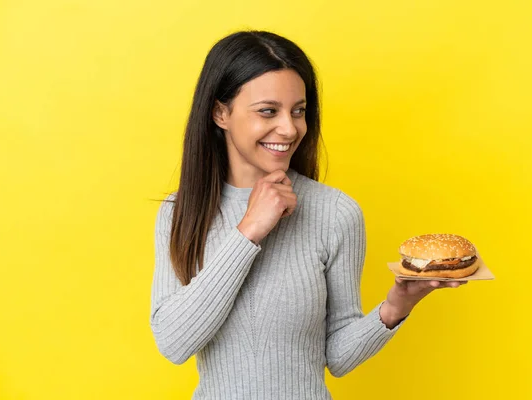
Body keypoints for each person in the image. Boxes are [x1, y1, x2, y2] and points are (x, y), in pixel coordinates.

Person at [150, 30, 466, 399]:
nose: (289, 128)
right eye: (268, 111)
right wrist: (249, 230)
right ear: (221, 112)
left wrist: (395, 307)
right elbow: (174, 344)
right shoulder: (180, 213)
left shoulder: (335, 213)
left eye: (298, 111)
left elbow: (337, 357)